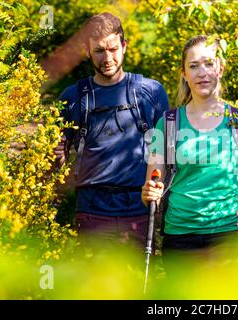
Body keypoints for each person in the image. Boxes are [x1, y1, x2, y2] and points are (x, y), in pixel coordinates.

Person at [141, 35, 238, 267]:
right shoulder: (168, 123)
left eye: (209, 63)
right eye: (193, 66)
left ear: (220, 68)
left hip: (230, 236)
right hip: (179, 239)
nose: (202, 73)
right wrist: (150, 192)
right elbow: (151, 190)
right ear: (184, 74)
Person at [54, 12, 169, 249]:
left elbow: (167, 154)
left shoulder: (152, 92)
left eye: (113, 49)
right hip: (91, 213)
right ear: (88, 51)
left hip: (140, 211)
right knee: (93, 285)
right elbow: (55, 159)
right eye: (99, 51)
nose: (107, 57)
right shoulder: (72, 97)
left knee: (138, 284)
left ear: (124, 46)